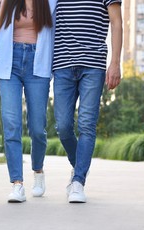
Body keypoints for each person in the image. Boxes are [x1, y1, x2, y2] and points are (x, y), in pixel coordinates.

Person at [52, 0, 123, 203]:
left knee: (86, 124)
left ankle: (78, 182)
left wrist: (115, 63)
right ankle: (79, 165)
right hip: (63, 63)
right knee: (63, 126)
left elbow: (116, 22)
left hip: (93, 64)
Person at [0, 0, 56, 203]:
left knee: (37, 127)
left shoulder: (51, 2)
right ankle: (17, 184)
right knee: (11, 124)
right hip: (9, 63)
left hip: (38, 62)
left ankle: (38, 170)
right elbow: (1, 33)